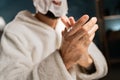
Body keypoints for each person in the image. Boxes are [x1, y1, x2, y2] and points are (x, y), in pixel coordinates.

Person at [0, 0, 108, 80]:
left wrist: (84, 58)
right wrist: (64, 59)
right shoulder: (15, 31)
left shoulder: (70, 27)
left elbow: (102, 68)